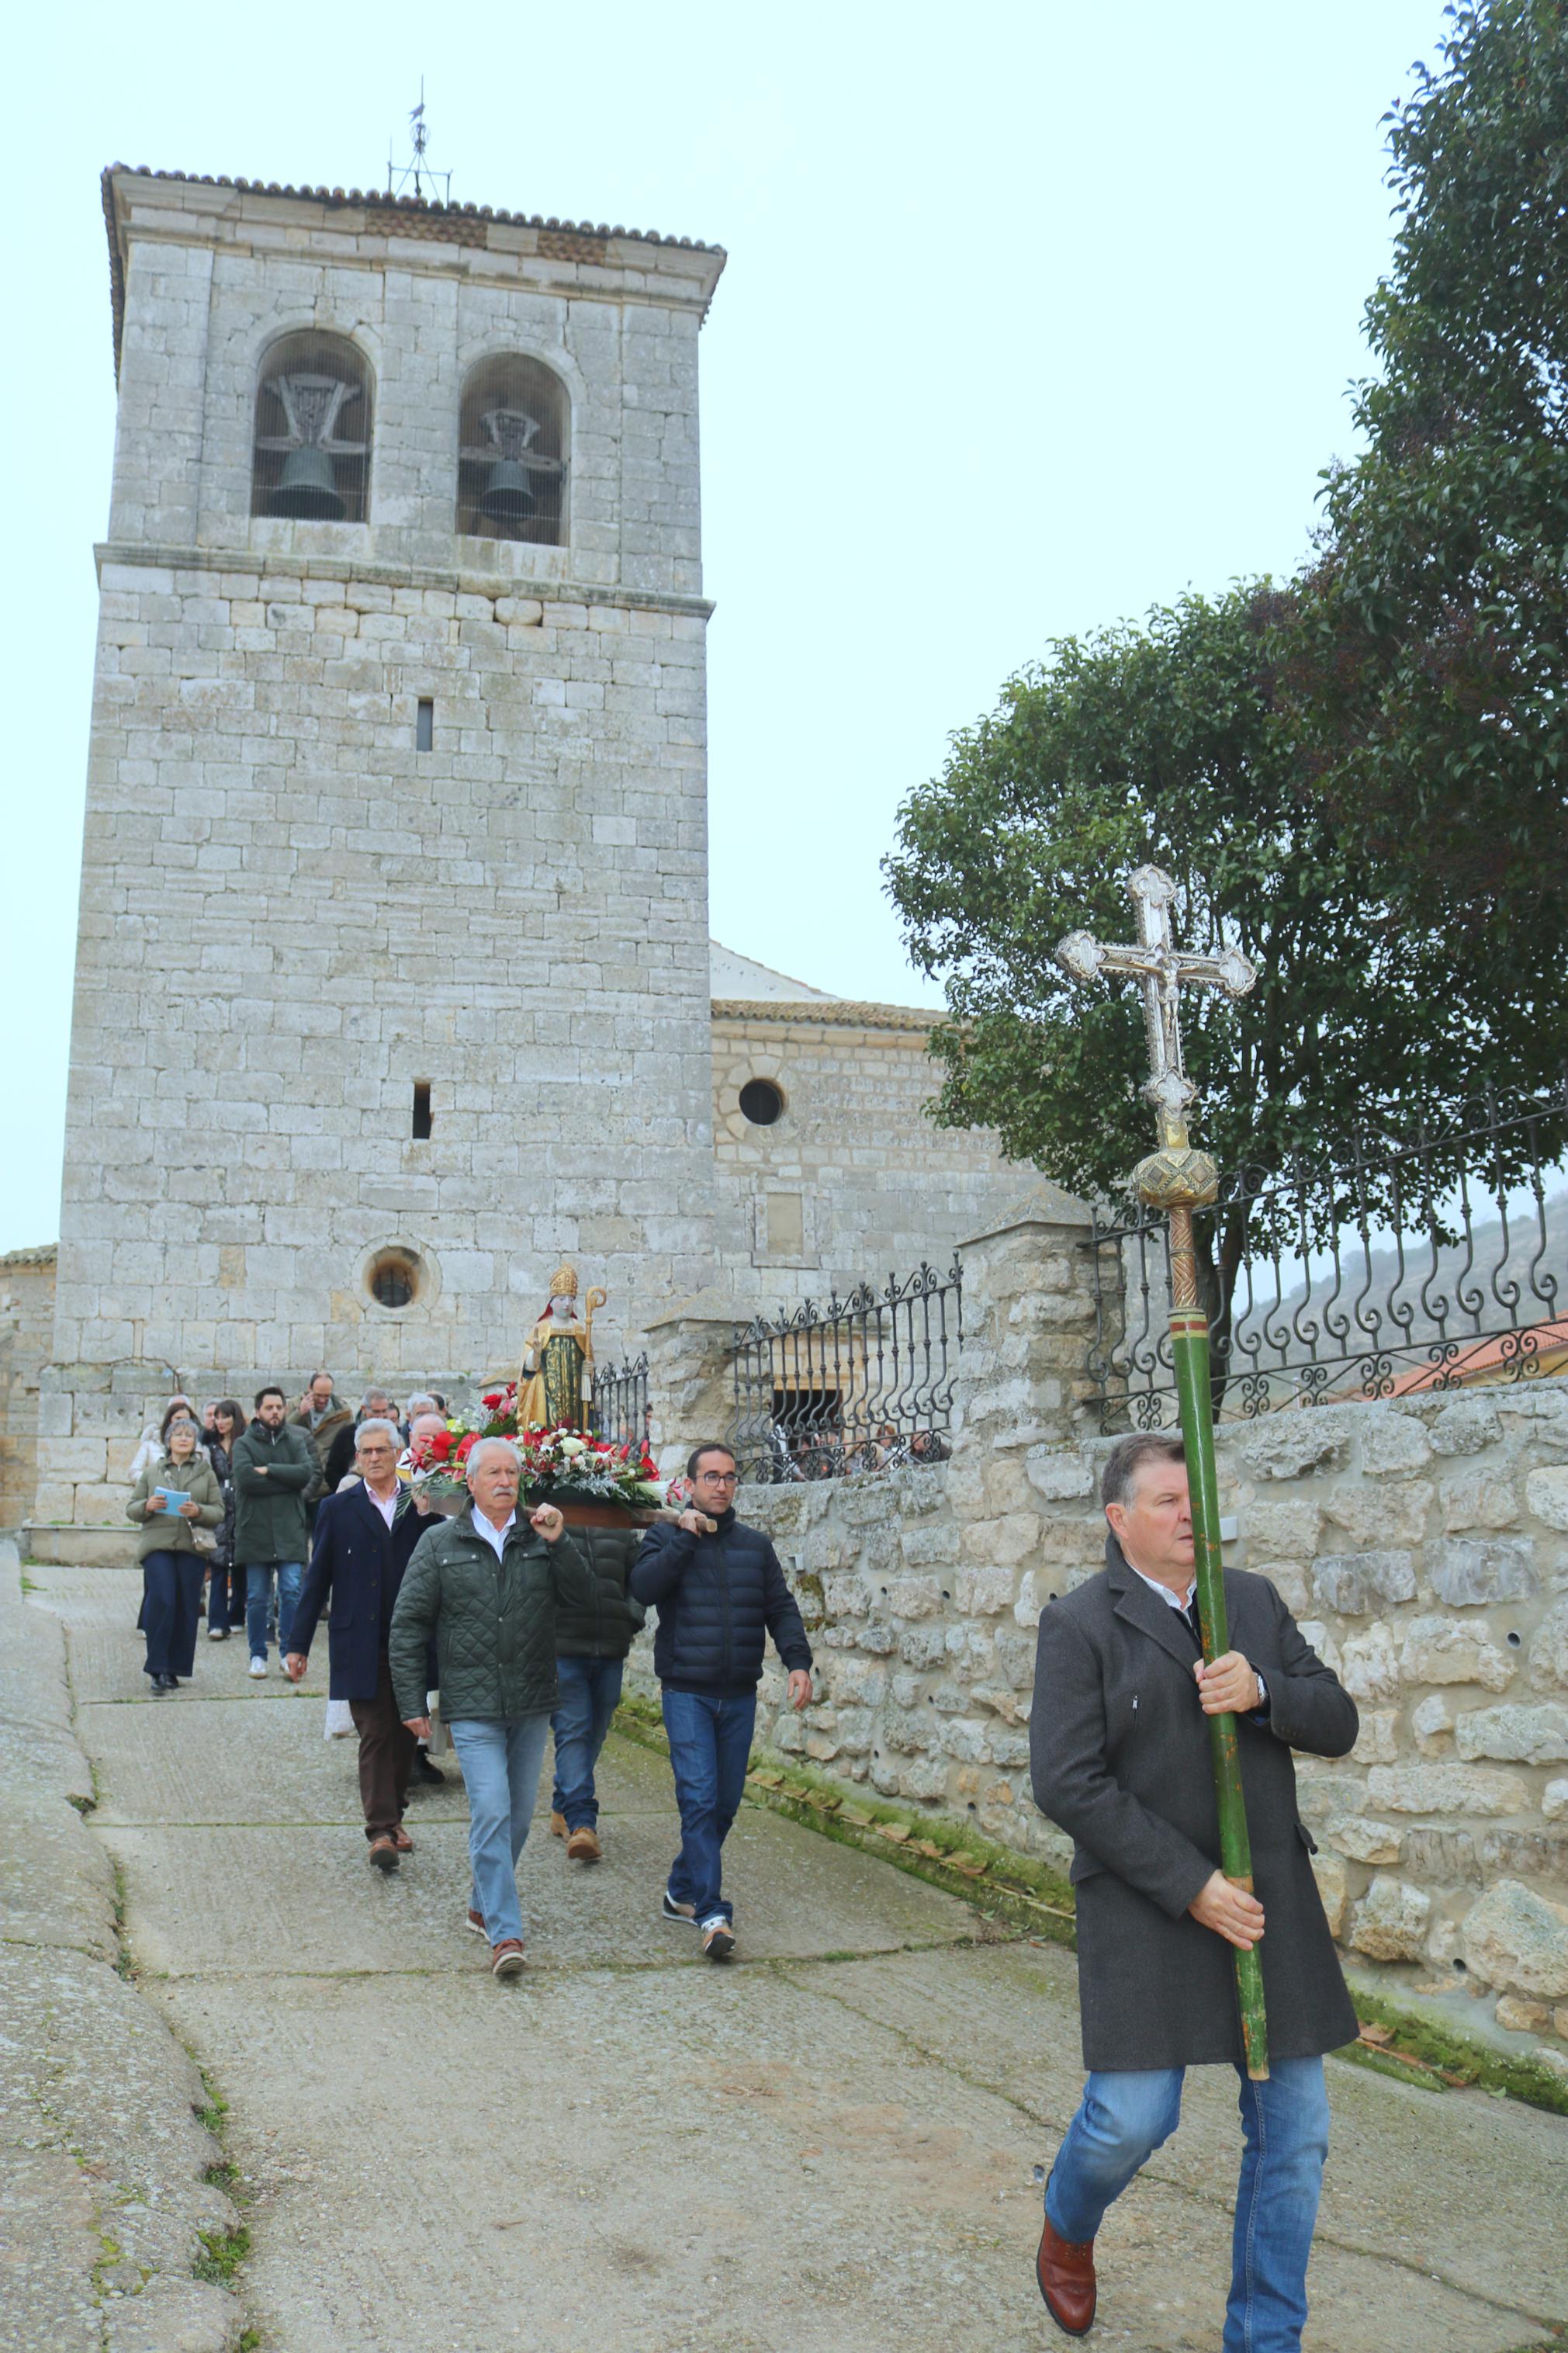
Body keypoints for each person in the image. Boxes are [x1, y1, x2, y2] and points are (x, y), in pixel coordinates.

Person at [1028, 1430, 1359, 2349]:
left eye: (1195, 1496)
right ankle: (1067, 2216)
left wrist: (1261, 1688)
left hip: (1265, 1906)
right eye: (1167, 1500)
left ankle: (1262, 2336)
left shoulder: (1248, 1600)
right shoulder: (1081, 1622)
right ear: (1117, 1518)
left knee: (1293, 2135)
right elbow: (1066, 1781)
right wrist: (1189, 1882)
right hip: (1147, 1900)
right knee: (1131, 2117)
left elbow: (1336, 1719)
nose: (1188, 1514)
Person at [389, 1438, 594, 1977]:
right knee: (492, 1811)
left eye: (512, 1473)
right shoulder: (440, 1542)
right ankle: (505, 1933)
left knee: (519, 1819)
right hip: (473, 1704)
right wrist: (412, 1702)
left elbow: (584, 1599)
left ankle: (481, 1902)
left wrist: (561, 1543)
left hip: (530, 1701)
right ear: (472, 1482)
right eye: (494, 1473)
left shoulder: (540, 1536)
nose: (505, 1481)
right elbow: (408, 1625)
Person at [630, 1442, 814, 1962]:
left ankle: (678, 1891)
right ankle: (712, 1914)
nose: (721, 1485)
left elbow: (779, 1607)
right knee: (699, 1799)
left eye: (729, 1477)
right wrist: (682, 1542)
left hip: (737, 1695)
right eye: (710, 1477)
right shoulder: (664, 1535)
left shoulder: (754, 1547)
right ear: (690, 1485)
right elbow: (643, 1589)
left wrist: (797, 1661)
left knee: (725, 1805)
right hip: (686, 1691)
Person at [284, 1419, 434, 1870]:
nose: (373, 1458)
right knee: (374, 1732)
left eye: (381, 1450)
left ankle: (394, 1815)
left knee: (408, 1732)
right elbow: (316, 1580)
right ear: (356, 1457)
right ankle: (381, 1830)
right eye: (365, 1451)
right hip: (359, 1639)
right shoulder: (337, 1508)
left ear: (397, 1453)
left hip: (411, 1639)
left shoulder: (422, 1504)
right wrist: (298, 1643)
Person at [547, 1516, 646, 1862]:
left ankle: (562, 1807)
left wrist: (631, 1616)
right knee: (573, 1729)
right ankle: (582, 1823)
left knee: (595, 1732)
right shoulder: (550, 1520)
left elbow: (639, 1575)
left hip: (610, 1646)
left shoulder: (616, 1523)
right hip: (564, 1647)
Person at [126, 1415, 222, 1692]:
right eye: (178, 1434)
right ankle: (157, 1669)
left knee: (185, 1607)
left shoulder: (205, 1473)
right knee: (163, 1600)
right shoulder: (152, 1472)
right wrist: (148, 1505)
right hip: (158, 1546)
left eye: (189, 1435)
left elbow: (219, 1512)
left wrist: (199, 1511)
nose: (183, 1439)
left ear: (195, 1442)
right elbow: (131, 1509)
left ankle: (175, 1668)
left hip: (191, 1548)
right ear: (169, 1441)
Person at [232, 1386, 314, 1678]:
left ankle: (288, 1652)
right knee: (257, 1596)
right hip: (255, 1530)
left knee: (291, 1591)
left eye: (279, 1407)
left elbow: (306, 1473)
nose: (276, 1412)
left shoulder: (296, 1440)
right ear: (258, 1412)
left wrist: (268, 1469)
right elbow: (245, 1480)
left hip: (289, 1529)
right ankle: (257, 1654)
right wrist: (286, 1479)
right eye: (269, 1408)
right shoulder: (243, 1444)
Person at [202, 1400, 245, 1638]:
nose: (220, 1422)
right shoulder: (209, 1445)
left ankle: (237, 1614)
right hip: (218, 1507)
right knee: (218, 1562)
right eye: (217, 1417)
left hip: (241, 1507)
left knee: (240, 1564)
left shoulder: (245, 1443)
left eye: (225, 1417)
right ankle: (216, 1621)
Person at [289, 1371, 353, 1519]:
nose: (323, 1400)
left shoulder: (342, 1412)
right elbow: (283, 1432)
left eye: (327, 1396)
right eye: (318, 1395)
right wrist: (300, 1413)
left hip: (325, 1486)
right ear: (309, 1389)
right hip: (298, 1483)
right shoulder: (293, 1405)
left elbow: (347, 1444)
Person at [323, 1388, 400, 1492]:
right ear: (364, 1409)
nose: (381, 1416)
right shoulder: (346, 1435)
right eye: (376, 1411)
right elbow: (332, 1471)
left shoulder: (395, 1435)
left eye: (384, 1411)